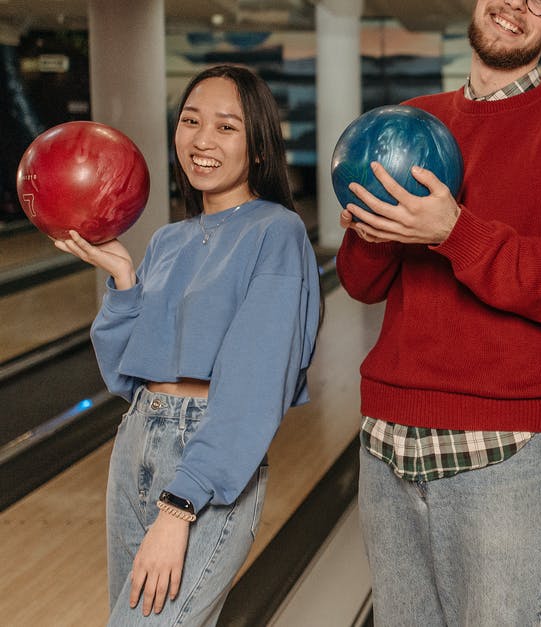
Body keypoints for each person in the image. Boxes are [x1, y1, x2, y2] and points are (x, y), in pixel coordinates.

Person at [334, 0, 541, 624]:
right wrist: (370, 232)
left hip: (500, 449)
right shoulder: (411, 122)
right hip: (387, 442)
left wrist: (453, 230)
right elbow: (361, 285)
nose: (516, 4)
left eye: (540, 1)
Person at [54, 64, 322, 624]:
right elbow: (124, 375)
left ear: (260, 149)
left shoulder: (276, 233)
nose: (202, 140)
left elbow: (254, 386)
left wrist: (179, 507)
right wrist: (125, 279)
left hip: (204, 456)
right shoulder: (167, 241)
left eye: (226, 127)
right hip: (135, 446)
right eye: (191, 121)